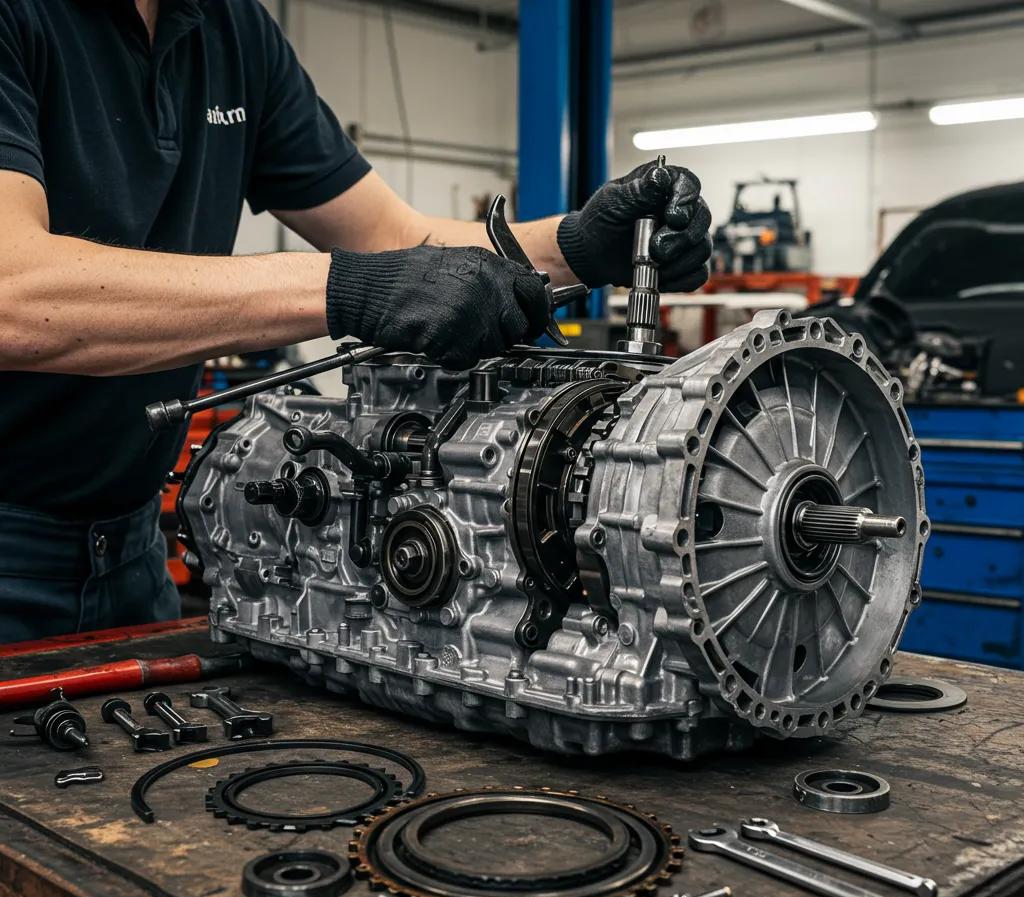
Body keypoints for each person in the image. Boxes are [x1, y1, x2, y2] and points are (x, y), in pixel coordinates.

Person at [0, 0, 711, 647]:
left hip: (129, 548)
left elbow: (390, 235)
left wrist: (574, 248)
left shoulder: (227, 28)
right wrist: (347, 289)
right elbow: (13, 294)